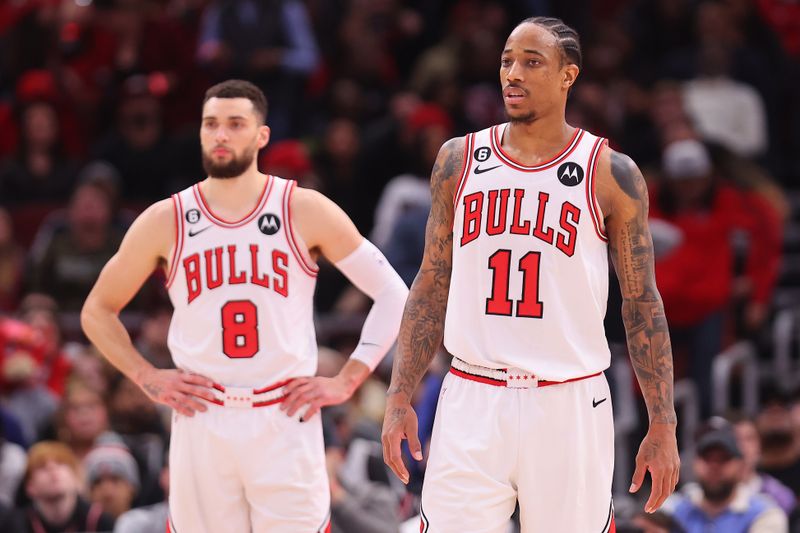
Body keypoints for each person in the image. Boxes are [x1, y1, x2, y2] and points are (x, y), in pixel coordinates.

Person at [381, 17, 680, 531]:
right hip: (473, 392)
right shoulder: (457, 160)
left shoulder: (611, 172)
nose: (513, 74)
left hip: (568, 400)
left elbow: (642, 303)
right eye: (506, 61)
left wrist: (664, 422)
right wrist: (398, 394)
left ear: (569, 76)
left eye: (531, 62)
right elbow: (431, 284)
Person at [81, 79, 408, 532]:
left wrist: (349, 379)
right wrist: (146, 375)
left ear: (261, 135)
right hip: (203, 416)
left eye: (235, 124)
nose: (220, 134)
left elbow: (394, 293)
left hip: (283, 413)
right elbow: (96, 311)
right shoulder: (166, 220)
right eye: (211, 124)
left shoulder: (303, 209)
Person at [666, 426, 788, 532]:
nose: (714, 466)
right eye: (707, 458)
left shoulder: (765, 513)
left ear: (740, 465)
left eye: (723, 459)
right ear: (695, 463)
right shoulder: (674, 507)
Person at [21, 441, 116, 533]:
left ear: (76, 477)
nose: (52, 469)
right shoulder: (18, 524)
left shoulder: (100, 521)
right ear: (30, 486)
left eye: (60, 463)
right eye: (42, 466)